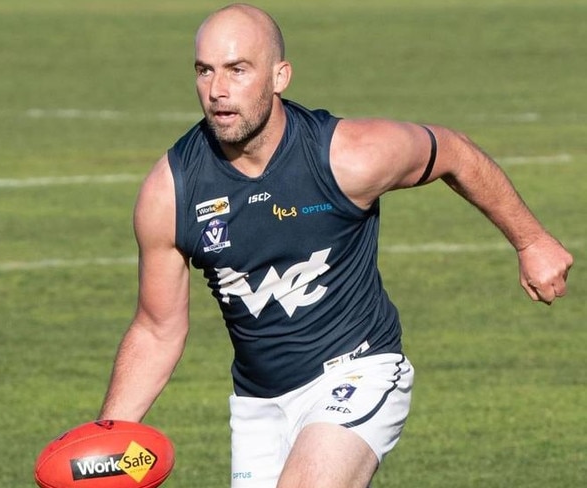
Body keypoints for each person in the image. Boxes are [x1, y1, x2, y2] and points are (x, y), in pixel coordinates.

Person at [98, 3, 573, 487]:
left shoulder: (349, 156)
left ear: (280, 76)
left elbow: (453, 151)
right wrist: (107, 442)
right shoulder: (170, 192)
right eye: (205, 71)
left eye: (238, 70)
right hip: (258, 404)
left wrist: (531, 240)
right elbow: (157, 329)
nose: (218, 91)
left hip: (359, 369)